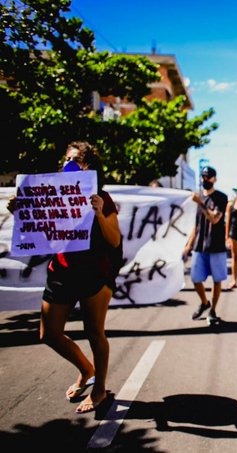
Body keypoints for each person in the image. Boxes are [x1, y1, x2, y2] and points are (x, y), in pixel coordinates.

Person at [7, 141, 122, 414]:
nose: (67, 163)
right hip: (61, 271)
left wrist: (98, 214)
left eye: (75, 160)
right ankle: (86, 370)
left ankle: (99, 388)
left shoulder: (102, 198)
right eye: (66, 158)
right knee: (49, 334)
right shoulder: (51, 196)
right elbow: (38, 232)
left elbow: (114, 239)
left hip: (94, 273)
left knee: (95, 333)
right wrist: (20, 212)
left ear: (88, 167)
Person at [183, 166, 229, 325]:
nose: (204, 180)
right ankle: (204, 302)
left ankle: (213, 311)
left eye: (208, 177)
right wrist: (188, 245)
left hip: (216, 246)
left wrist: (200, 202)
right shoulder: (198, 199)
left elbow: (214, 219)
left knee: (217, 280)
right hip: (199, 246)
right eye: (202, 177)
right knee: (195, 278)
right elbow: (195, 225)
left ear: (214, 179)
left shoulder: (221, 198)